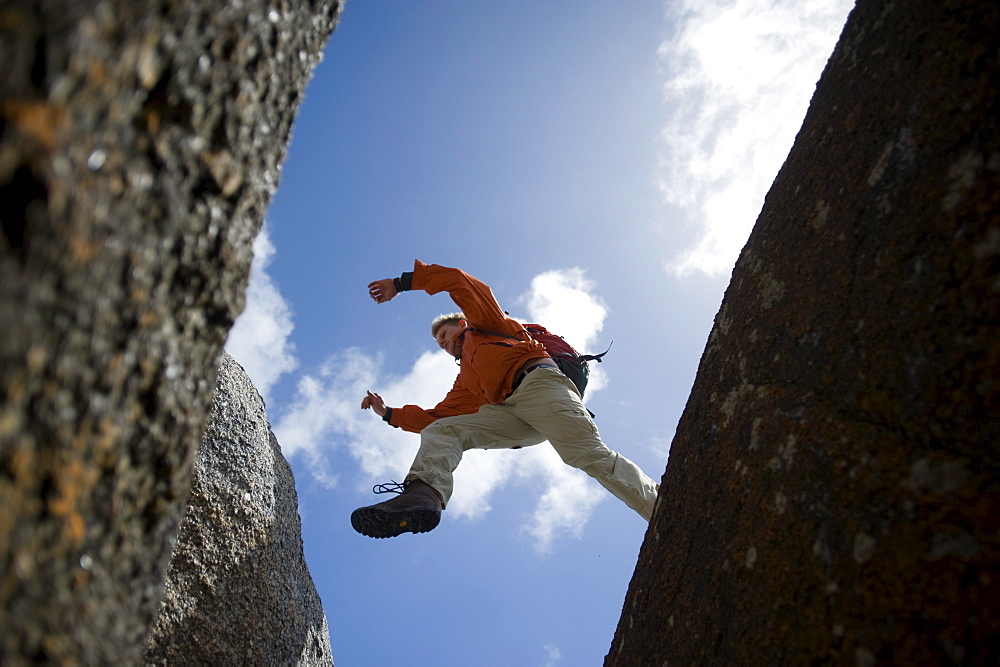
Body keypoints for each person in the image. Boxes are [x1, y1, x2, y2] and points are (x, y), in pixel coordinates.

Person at [351, 259, 660, 539]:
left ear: (461, 325)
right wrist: (388, 413)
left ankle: (659, 507)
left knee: (588, 456)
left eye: (445, 336)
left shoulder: (487, 324)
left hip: (539, 385)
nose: (444, 345)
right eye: (440, 345)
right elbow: (435, 418)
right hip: (511, 414)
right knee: (442, 431)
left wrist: (401, 283)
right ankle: (424, 496)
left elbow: (458, 281)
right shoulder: (469, 382)